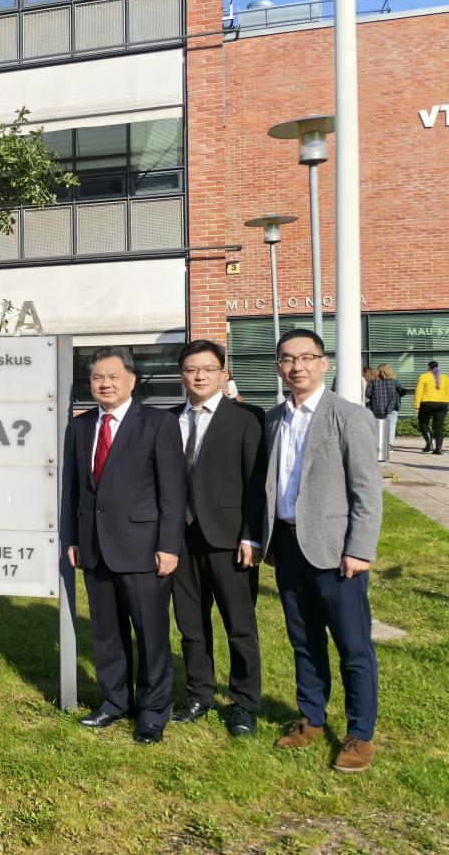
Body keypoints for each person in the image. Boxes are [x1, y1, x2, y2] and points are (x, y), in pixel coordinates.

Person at [264, 329, 383, 773]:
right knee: (304, 640)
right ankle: (311, 719)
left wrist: (360, 549)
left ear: (323, 363)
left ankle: (360, 734)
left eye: (306, 357)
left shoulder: (349, 416)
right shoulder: (274, 419)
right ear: (279, 367)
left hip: (336, 553)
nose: (297, 366)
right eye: (287, 359)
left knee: (353, 645)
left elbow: (367, 491)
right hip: (288, 546)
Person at [62, 346, 187, 745]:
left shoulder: (158, 423)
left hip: (143, 549)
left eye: (113, 376)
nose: (105, 384)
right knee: (106, 633)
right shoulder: (80, 427)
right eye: (97, 377)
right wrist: (73, 539)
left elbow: (173, 492)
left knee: (150, 635)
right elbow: (73, 490)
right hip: (95, 547)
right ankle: (114, 701)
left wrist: (169, 545)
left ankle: (152, 713)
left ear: (132, 380)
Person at [169, 340, 267, 738]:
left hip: (229, 540)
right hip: (180, 540)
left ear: (223, 373)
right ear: (182, 375)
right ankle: (199, 693)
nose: (199, 376)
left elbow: (256, 484)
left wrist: (252, 536)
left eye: (208, 368)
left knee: (239, 626)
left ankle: (244, 703)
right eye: (191, 369)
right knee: (190, 624)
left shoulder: (246, 418)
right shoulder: (168, 420)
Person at [364, 364, 406, 451]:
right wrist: (397, 396)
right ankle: (389, 445)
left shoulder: (373, 382)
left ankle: (378, 445)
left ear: (379, 372)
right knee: (391, 426)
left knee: (378, 426)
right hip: (392, 407)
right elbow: (403, 390)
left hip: (377, 407)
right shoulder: (395, 382)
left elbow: (368, 394)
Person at [414, 360, 449, 455]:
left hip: (427, 403)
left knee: (423, 424)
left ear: (429, 367)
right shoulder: (445, 378)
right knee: (439, 426)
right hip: (443, 404)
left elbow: (419, 392)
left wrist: (416, 406)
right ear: (438, 367)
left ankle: (429, 446)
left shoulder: (423, 376)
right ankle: (439, 449)